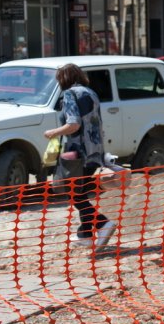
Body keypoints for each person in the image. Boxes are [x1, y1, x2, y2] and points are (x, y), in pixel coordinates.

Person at [44, 63, 117, 247]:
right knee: (81, 191)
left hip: (78, 153)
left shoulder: (69, 94)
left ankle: (102, 223)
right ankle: (85, 235)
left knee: (72, 192)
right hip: (95, 151)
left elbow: (74, 124)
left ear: (64, 79)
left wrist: (54, 132)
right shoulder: (90, 93)